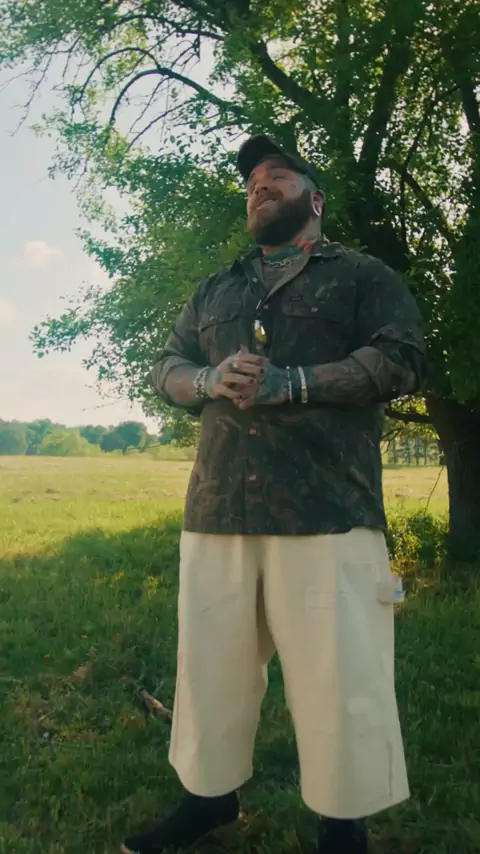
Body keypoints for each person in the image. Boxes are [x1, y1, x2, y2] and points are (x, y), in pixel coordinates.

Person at [121, 134, 425, 854]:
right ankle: (209, 801)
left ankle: (343, 826)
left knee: (339, 679)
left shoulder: (362, 275)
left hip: (328, 511)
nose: (260, 184)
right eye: (253, 180)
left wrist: (296, 383)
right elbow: (166, 365)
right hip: (218, 507)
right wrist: (204, 379)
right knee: (211, 673)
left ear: (313, 199)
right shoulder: (215, 288)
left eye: (277, 175)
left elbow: (403, 358)